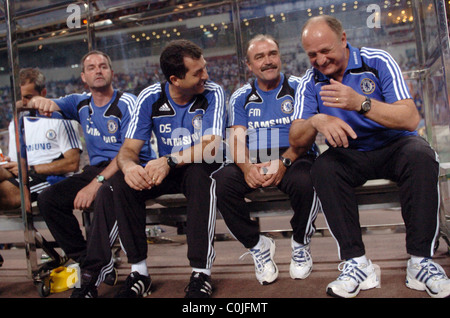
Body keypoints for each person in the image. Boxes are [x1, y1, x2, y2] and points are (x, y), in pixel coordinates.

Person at [289, 15, 450, 298]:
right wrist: (316, 121)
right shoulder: (309, 80)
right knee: (323, 167)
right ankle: (356, 263)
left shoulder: (378, 61)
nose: (320, 60)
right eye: (312, 54)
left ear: (343, 39)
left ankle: (421, 261)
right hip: (350, 152)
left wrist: (359, 103)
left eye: (326, 51)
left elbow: (410, 118)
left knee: (422, 155)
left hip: (394, 145)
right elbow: (296, 137)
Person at [71, 39, 225, 298]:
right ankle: (139, 272)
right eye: (198, 72)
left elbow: (212, 147)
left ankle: (201, 273)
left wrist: (168, 161)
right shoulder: (150, 97)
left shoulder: (213, 92)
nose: (205, 76)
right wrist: (130, 168)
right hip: (165, 168)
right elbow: (128, 151)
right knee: (119, 183)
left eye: (204, 68)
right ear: (175, 79)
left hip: (194, 165)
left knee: (201, 176)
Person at [27, 51, 153, 269]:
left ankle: (100, 265)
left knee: (103, 192)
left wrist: (95, 184)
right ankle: (87, 261)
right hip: (96, 169)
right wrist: (39, 100)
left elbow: (127, 153)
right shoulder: (80, 102)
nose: (98, 71)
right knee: (49, 199)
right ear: (83, 77)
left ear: (112, 73)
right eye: (92, 68)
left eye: (103, 66)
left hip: (129, 168)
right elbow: (51, 103)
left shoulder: (128, 103)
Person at [213, 35, 319, 285]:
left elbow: (307, 134)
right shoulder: (240, 96)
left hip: (294, 153)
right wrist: (247, 167)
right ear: (249, 66)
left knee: (307, 180)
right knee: (221, 182)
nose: (268, 61)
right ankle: (257, 245)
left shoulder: (299, 87)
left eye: (272, 54)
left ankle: (300, 243)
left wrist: (284, 162)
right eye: (259, 57)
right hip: (255, 157)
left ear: (280, 57)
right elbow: (236, 140)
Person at [0, 68, 82, 210]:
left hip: (50, 178)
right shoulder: (16, 123)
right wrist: (9, 163)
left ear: (43, 93)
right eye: (18, 97)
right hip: (23, 173)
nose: (22, 102)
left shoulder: (61, 118)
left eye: (27, 97)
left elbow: (72, 164)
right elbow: (16, 162)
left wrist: (31, 169)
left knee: (4, 193)